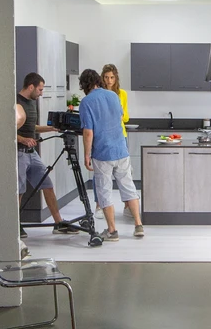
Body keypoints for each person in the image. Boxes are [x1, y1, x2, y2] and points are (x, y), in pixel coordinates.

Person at [78, 68, 144, 241]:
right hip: (121, 149)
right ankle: (138, 225)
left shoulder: (86, 102)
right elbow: (120, 117)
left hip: (102, 153)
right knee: (128, 186)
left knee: (104, 191)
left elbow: (88, 132)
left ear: (84, 85)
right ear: (99, 80)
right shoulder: (114, 96)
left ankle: (112, 231)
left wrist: (86, 155)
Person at [16, 73, 80, 236]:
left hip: (32, 153)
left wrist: (51, 128)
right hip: (19, 153)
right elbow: (7, 130)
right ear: (31, 87)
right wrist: (23, 139)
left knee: (47, 184)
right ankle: (15, 225)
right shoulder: (16, 103)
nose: (41, 93)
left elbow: (32, 127)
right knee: (19, 190)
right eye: (40, 89)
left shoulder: (31, 103)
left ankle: (58, 223)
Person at [96, 63, 134, 222]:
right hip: (103, 136)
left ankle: (128, 206)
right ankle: (99, 205)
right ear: (102, 78)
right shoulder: (98, 94)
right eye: (106, 77)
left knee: (125, 173)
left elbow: (126, 117)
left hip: (120, 135)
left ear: (116, 78)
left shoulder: (122, 94)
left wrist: (119, 116)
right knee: (101, 173)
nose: (109, 80)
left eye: (112, 77)